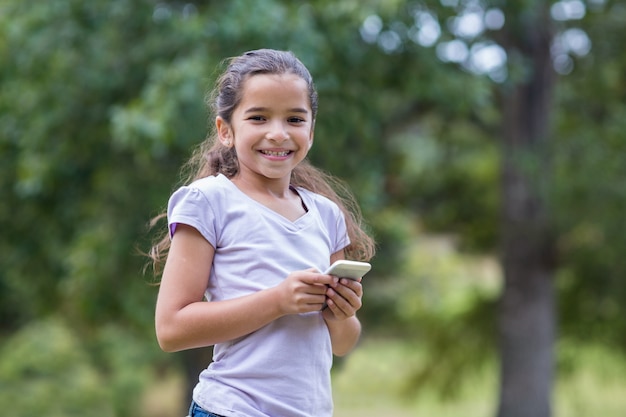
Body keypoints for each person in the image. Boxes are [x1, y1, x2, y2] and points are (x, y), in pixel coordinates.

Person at [149, 48, 376, 417]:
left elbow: (343, 343)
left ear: (311, 132)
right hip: (231, 409)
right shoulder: (209, 202)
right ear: (226, 130)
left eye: (294, 119)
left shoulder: (326, 215)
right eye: (258, 117)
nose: (277, 133)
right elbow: (171, 329)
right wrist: (278, 301)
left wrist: (342, 312)